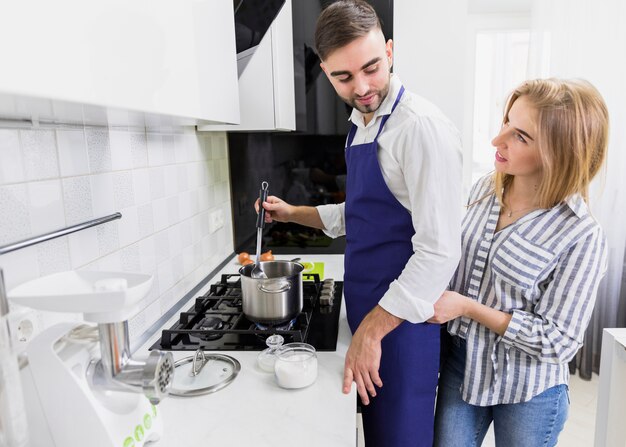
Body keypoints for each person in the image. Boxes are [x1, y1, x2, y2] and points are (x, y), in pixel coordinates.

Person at [255, 1, 462, 445]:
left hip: (401, 330)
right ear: (326, 72)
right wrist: (292, 213)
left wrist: (372, 329)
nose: (363, 87)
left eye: (371, 67)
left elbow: (441, 250)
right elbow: (366, 214)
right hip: (369, 316)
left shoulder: (420, 128)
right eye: (343, 77)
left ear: (389, 50)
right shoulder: (361, 123)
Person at [431, 78, 609, 447]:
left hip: (529, 387)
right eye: (506, 122)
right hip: (462, 364)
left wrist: (467, 307)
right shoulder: (484, 190)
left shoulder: (581, 234)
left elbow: (559, 341)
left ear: (559, 154)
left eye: (521, 136)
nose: (498, 140)